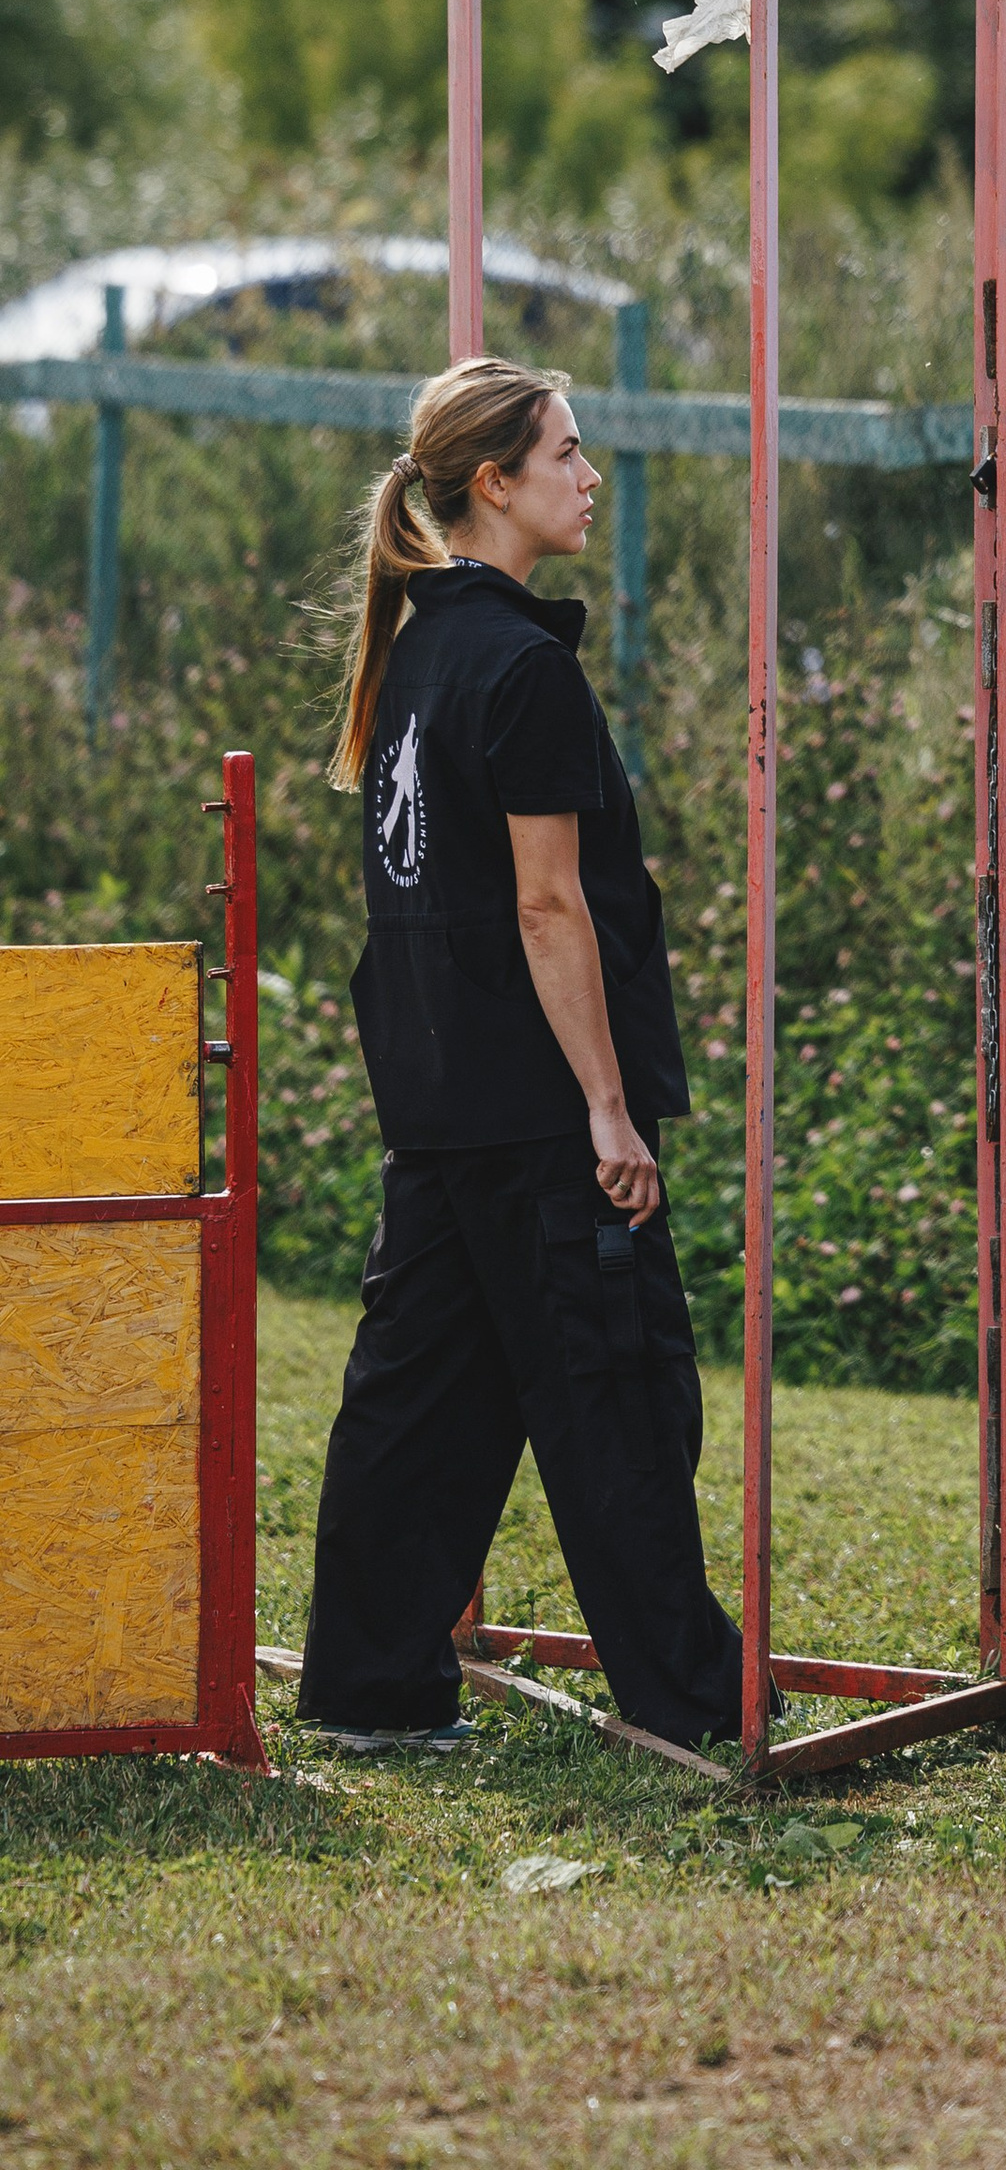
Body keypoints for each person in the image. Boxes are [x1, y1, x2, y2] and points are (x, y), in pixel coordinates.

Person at [296, 355, 745, 1754]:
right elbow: (550, 909)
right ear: (493, 483)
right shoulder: (524, 668)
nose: (588, 471)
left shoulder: (416, 648)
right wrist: (609, 1112)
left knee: (421, 1406)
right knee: (620, 1393)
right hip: (542, 1110)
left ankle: (371, 1692)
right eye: (564, 452)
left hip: (435, 1100)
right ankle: (695, 1708)